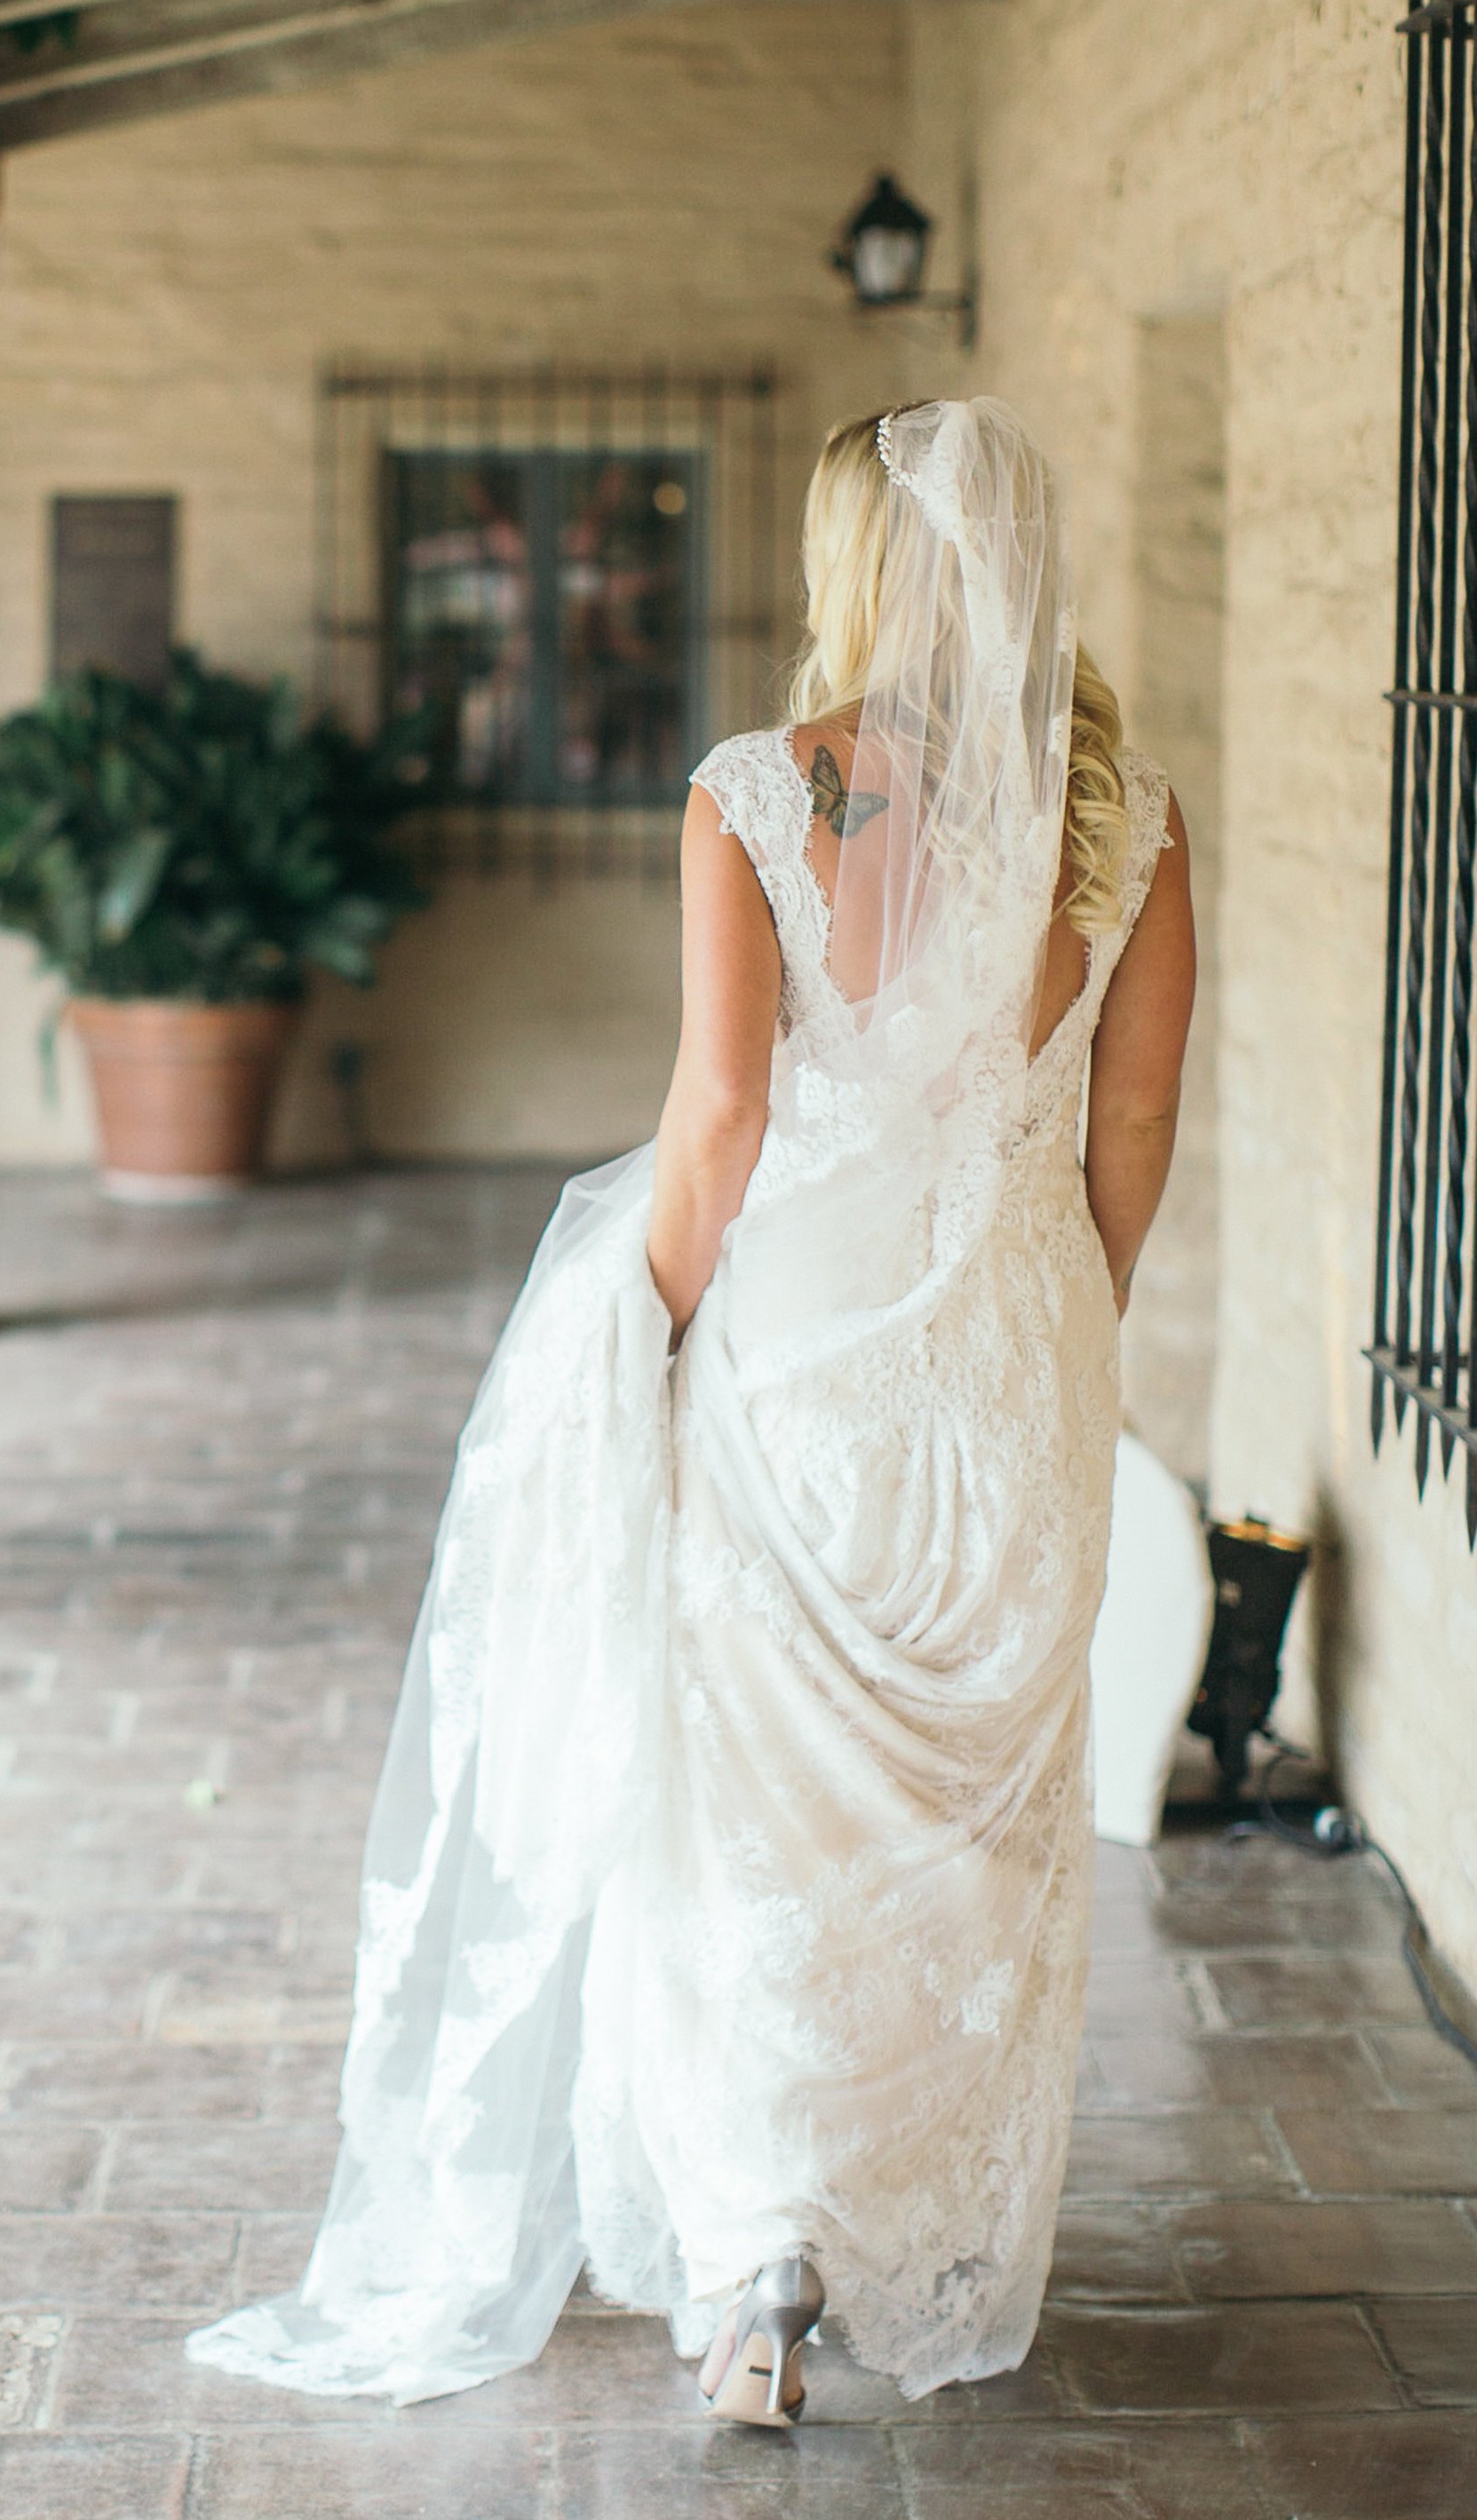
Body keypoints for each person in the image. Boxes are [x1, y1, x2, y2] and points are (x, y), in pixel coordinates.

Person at [187, 399, 1197, 2420]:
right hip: (1012, 1368)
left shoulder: (760, 794)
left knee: (749, 1819)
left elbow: (718, 1120)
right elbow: (1134, 1122)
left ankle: (762, 2265)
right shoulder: (1128, 820)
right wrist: (1057, 1325)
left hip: (795, 1378)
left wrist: (637, 1330)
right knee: (964, 1850)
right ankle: (892, 2220)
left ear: (849, 566)